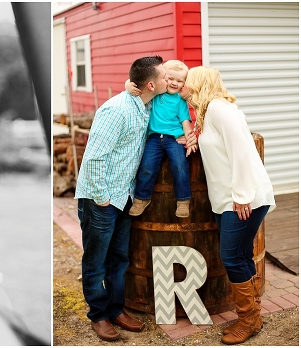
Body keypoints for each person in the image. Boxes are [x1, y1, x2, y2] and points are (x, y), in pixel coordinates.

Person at [74, 55, 168, 341]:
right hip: (101, 199)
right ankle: (99, 315)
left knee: (119, 259)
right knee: (96, 262)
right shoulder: (116, 110)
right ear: (151, 84)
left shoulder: (147, 104)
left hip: (125, 196)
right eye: (164, 77)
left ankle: (116, 310)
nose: (168, 80)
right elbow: (94, 158)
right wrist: (101, 197)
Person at [181, 66, 275, 345]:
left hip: (244, 198)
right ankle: (253, 317)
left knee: (232, 257)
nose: (183, 87)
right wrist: (192, 137)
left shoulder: (220, 109)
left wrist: (243, 194)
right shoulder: (209, 112)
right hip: (226, 199)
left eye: (187, 82)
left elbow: (242, 151)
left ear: (199, 83)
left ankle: (248, 321)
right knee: (241, 255)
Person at [124, 60, 197, 218]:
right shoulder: (157, 94)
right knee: (147, 166)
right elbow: (139, 83)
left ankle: (183, 201)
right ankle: (142, 199)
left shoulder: (180, 100)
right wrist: (128, 85)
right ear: (164, 78)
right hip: (154, 138)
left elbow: (185, 121)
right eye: (170, 79)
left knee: (180, 165)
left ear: (184, 84)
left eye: (179, 81)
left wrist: (190, 138)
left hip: (174, 139)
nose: (174, 83)